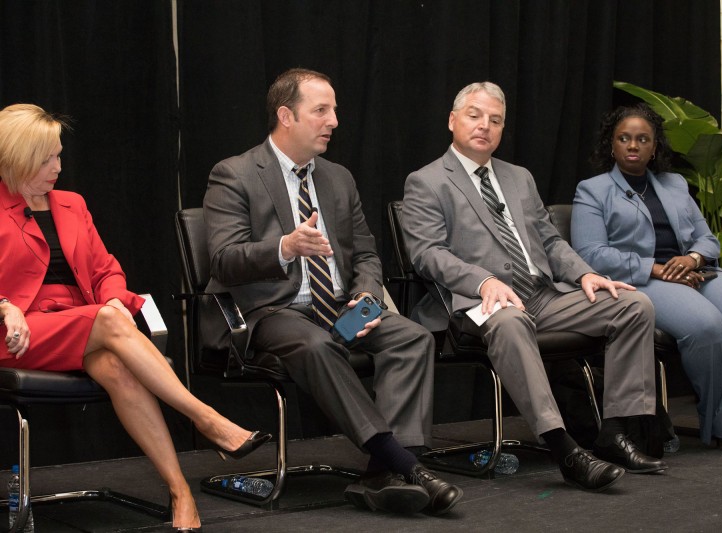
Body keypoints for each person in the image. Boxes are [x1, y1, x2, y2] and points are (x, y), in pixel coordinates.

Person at [202, 68, 462, 515]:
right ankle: (406, 465)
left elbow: (365, 253)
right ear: (286, 115)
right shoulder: (235, 173)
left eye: (334, 110)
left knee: (413, 337)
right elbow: (224, 259)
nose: (334, 121)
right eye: (321, 110)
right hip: (273, 312)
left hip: (341, 307)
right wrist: (285, 246)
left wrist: (365, 294)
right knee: (318, 344)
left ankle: (379, 476)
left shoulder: (338, 178)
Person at [0, 103, 270, 532]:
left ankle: (181, 493)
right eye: (47, 157)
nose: (58, 166)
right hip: (19, 333)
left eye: (58, 154)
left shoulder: (72, 205)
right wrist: (5, 305)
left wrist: (109, 303)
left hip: (84, 323)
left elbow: (107, 270)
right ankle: (206, 418)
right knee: (109, 322)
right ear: (17, 159)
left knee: (117, 366)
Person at [402, 81, 668, 492]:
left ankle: (614, 432)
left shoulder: (518, 177)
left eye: (495, 120)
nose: (484, 126)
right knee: (509, 322)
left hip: (543, 295)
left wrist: (583, 274)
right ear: (452, 120)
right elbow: (428, 254)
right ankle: (564, 449)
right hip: (479, 301)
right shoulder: (427, 181)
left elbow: (549, 240)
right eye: (474, 116)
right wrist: (484, 279)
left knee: (634, 306)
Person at [572, 103, 722, 454]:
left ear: (655, 146)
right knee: (706, 326)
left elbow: (707, 238)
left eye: (642, 139)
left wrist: (691, 258)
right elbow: (591, 254)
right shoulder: (593, 190)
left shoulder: (674, 184)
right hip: (644, 279)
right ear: (612, 145)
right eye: (625, 138)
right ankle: (718, 418)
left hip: (692, 271)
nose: (633, 145)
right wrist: (656, 268)